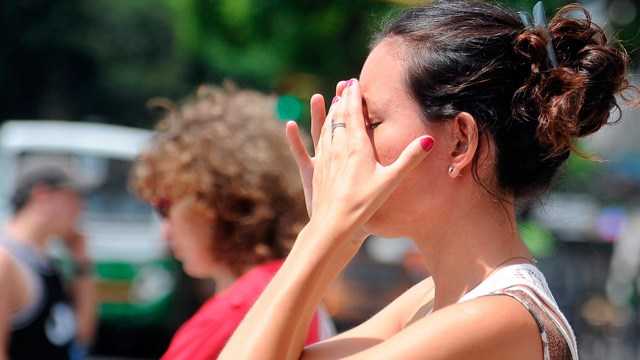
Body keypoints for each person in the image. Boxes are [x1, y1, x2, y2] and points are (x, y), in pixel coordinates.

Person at [219, 1, 637, 359]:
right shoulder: (431, 300)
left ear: (460, 141)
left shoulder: (498, 318)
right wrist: (333, 235)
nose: (350, 145)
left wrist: (325, 232)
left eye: (371, 121)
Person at [131, 84, 335, 360]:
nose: (165, 230)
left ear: (212, 201)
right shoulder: (293, 290)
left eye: (165, 207)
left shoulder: (234, 313)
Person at [0, 165, 97, 360]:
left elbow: (81, 334)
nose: (80, 209)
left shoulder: (47, 262)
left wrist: (82, 263)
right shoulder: (5, 262)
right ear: (42, 196)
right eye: (74, 198)